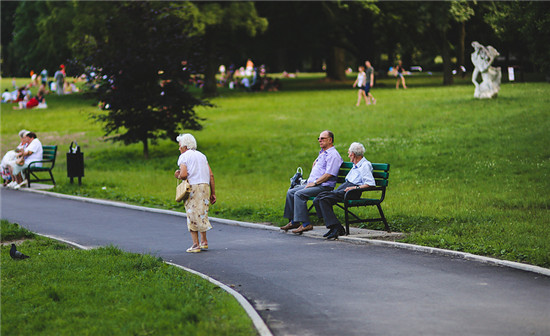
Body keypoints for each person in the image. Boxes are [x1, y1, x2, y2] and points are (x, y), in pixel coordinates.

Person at [281, 130, 343, 234]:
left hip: (323, 186)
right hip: (314, 184)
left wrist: (315, 183)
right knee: (291, 191)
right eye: (318, 138)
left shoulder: (333, 155)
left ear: (330, 140)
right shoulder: (323, 153)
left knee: (299, 194)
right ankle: (294, 221)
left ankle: (306, 224)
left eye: (322, 138)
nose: (319, 140)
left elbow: (329, 174)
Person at [313, 142, 375, 240]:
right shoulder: (356, 165)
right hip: (346, 188)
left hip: (352, 192)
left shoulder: (365, 165)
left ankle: (337, 227)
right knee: (318, 198)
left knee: (324, 199)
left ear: (353, 154)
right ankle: (332, 226)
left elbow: (370, 183)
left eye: (349, 153)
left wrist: (355, 188)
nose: (348, 155)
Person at [174, 133, 216, 253]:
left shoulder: (184, 157)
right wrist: (213, 193)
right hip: (205, 187)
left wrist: (177, 174)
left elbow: (183, 175)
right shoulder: (202, 156)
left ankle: (195, 244)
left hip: (193, 188)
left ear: (185, 146)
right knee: (202, 213)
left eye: (180, 146)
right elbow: (211, 175)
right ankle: (204, 242)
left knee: (192, 214)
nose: (179, 148)